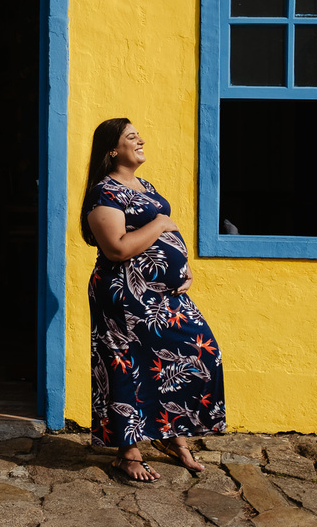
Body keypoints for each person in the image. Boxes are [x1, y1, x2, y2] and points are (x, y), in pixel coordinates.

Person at [80, 118, 226, 482]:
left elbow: (158, 243)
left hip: (162, 295)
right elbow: (116, 249)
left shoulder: (145, 185)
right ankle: (127, 452)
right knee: (126, 366)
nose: (140, 139)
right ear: (113, 149)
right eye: (131, 136)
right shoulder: (104, 193)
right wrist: (161, 225)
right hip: (124, 295)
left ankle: (170, 435)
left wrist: (183, 268)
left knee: (200, 353)